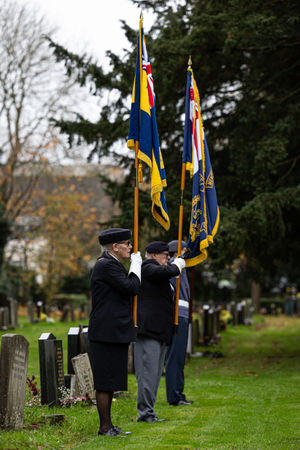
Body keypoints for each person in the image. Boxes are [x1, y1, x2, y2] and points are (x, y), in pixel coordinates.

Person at [88, 228, 142, 436]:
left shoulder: (112, 264)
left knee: (111, 382)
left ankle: (109, 425)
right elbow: (131, 287)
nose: (130, 247)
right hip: (106, 331)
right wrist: (136, 266)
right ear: (114, 247)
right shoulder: (106, 265)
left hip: (113, 330)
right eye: (127, 243)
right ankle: (104, 427)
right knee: (105, 381)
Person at [134, 241, 186, 423]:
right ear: (154, 255)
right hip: (148, 331)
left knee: (155, 375)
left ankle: (149, 412)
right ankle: (145, 413)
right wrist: (176, 265)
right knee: (148, 374)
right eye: (165, 255)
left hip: (160, 331)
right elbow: (163, 272)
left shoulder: (158, 270)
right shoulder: (147, 267)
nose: (168, 258)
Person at [165, 240, 193, 406]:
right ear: (177, 252)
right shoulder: (172, 268)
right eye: (184, 250)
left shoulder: (181, 268)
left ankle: (179, 392)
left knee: (180, 357)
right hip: (176, 316)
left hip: (182, 315)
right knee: (174, 357)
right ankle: (173, 395)